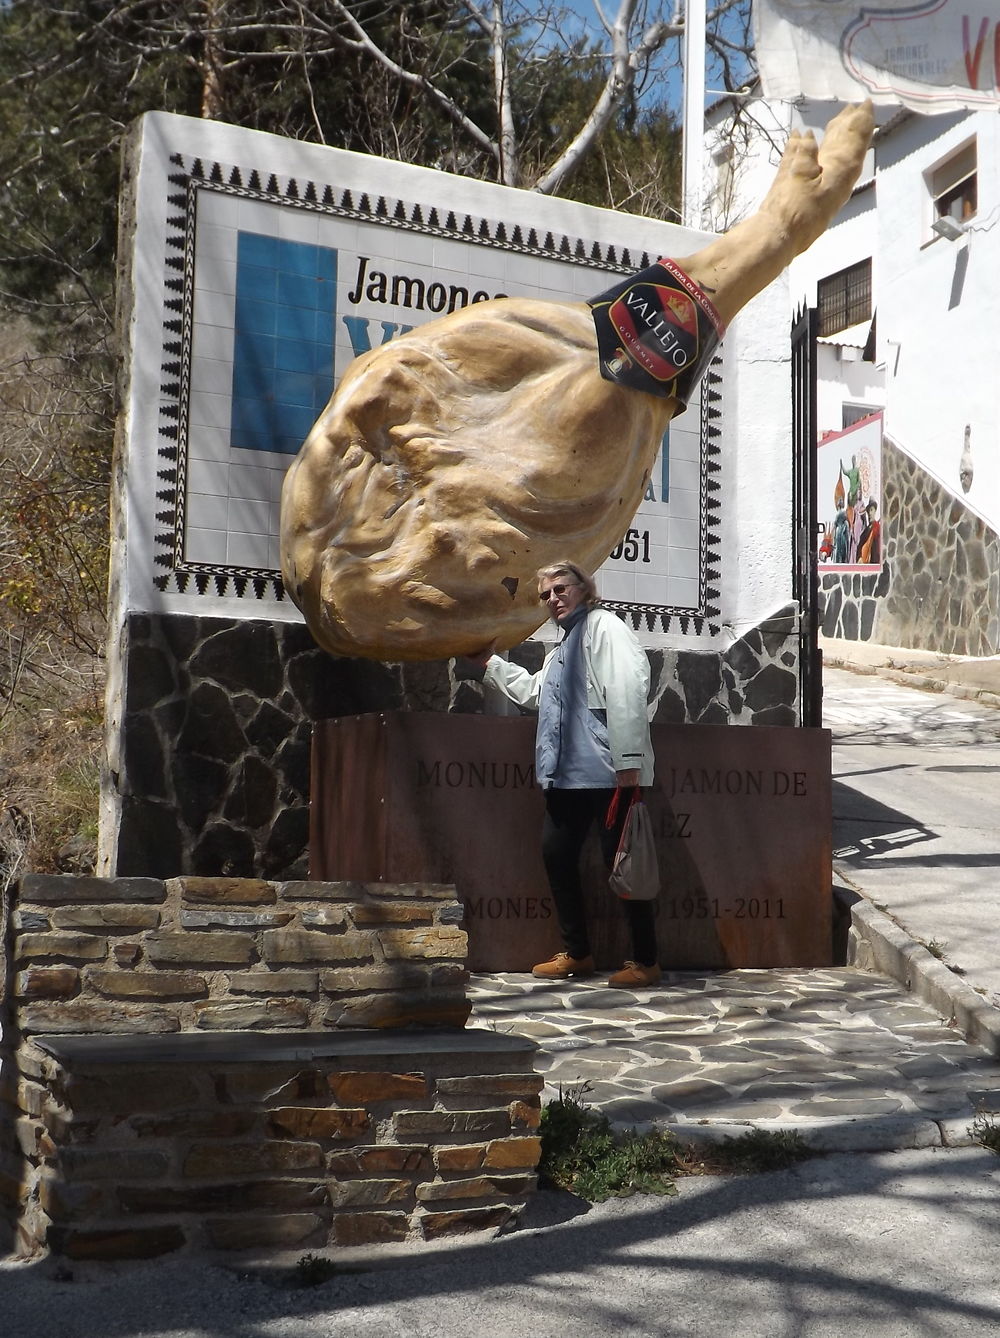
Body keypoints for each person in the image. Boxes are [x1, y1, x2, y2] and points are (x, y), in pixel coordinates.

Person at [464, 560, 661, 989]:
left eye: (560, 588)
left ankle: (646, 960)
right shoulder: (562, 646)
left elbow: (628, 690)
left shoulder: (606, 628)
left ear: (583, 587)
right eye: (546, 595)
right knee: (556, 856)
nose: (553, 599)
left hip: (610, 775)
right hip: (566, 777)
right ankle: (577, 953)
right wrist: (490, 665)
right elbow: (538, 693)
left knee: (625, 866)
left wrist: (628, 763)